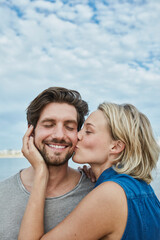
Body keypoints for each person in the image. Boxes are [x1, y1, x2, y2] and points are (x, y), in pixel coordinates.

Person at [18, 102, 160, 240]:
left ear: (116, 147)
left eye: (88, 131)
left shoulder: (110, 195)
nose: (78, 135)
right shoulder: (140, 188)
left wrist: (41, 172)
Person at [0, 87, 94, 240]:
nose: (59, 135)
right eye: (49, 124)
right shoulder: (2, 194)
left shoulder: (96, 190)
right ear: (31, 131)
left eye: (69, 127)